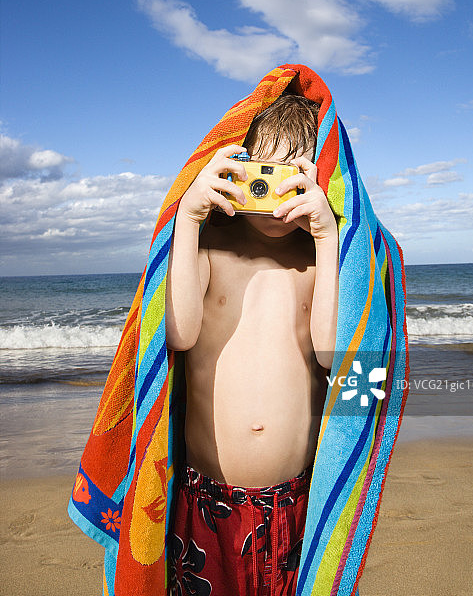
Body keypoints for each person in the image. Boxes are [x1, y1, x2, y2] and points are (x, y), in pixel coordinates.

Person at [165, 93, 339, 595]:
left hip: (294, 505)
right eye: (263, 171)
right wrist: (189, 219)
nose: (275, 195)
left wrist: (326, 238)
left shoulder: (315, 263)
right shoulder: (212, 252)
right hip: (205, 502)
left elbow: (332, 354)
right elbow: (178, 333)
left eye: (294, 178)